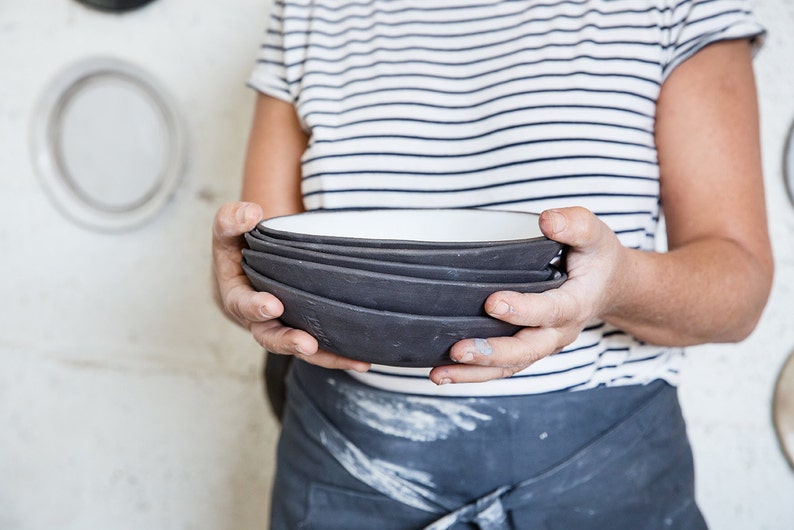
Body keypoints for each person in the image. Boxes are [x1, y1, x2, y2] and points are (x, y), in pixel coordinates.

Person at [212, 1, 774, 528]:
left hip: (603, 471)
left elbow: (739, 293)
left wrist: (616, 284)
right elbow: (264, 252)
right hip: (344, 461)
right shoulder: (313, 8)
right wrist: (240, 288)